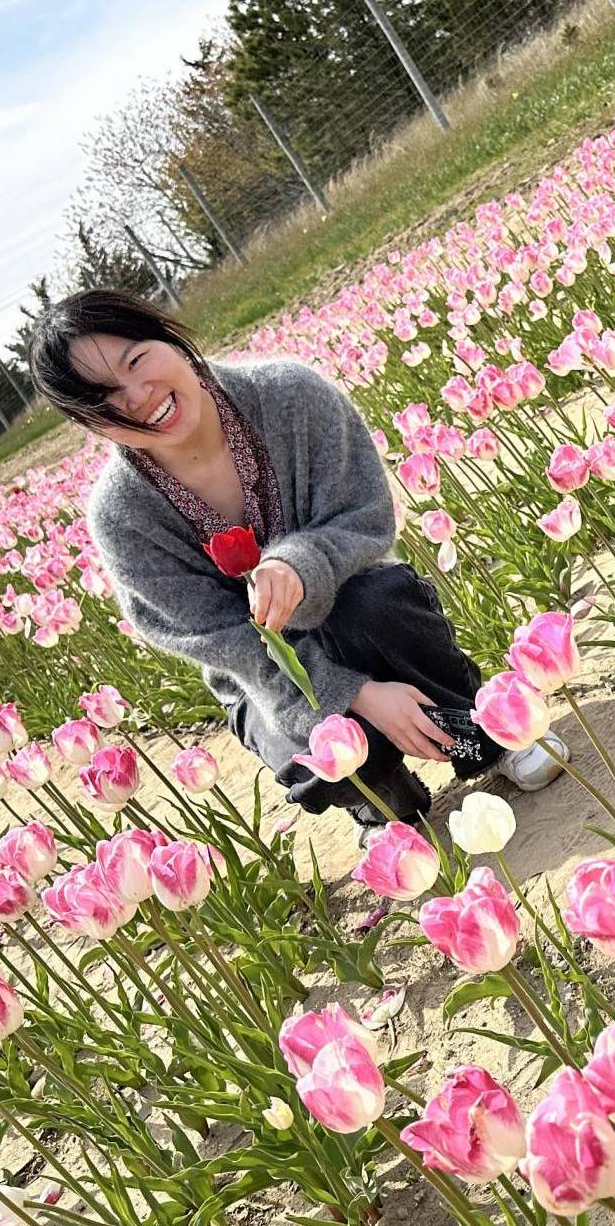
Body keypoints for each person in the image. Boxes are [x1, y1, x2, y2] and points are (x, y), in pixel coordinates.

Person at [29, 288, 561, 830]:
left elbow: (364, 514)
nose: (138, 396)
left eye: (136, 360)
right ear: (89, 423)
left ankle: (487, 735)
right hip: (263, 675)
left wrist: (298, 566)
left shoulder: (290, 397)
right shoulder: (123, 515)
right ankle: (381, 798)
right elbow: (216, 638)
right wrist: (355, 694)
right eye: (105, 399)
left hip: (365, 610)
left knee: (372, 604)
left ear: (168, 335)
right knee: (316, 751)